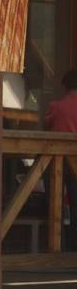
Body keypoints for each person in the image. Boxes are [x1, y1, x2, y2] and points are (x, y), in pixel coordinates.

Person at [45, 69, 77, 248]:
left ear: (65, 86)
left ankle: (58, 246)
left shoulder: (56, 106)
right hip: (75, 160)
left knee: (54, 204)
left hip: (57, 161)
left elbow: (46, 126)